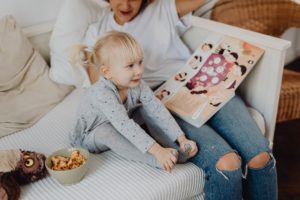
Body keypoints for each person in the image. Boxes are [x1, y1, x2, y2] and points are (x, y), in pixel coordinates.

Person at [82, 1, 278, 199]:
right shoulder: (96, 31)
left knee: (260, 158)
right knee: (227, 163)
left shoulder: (161, 9)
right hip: (161, 100)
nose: (125, 3)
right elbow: (100, 87)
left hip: (203, 83)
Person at [70, 31, 198, 173]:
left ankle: (174, 150)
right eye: (130, 66)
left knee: (146, 110)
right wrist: (156, 151)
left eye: (140, 62)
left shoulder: (137, 84)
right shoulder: (102, 93)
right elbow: (124, 125)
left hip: (119, 120)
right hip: (91, 135)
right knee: (106, 132)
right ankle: (154, 160)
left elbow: (156, 109)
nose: (138, 71)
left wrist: (181, 138)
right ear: (107, 72)